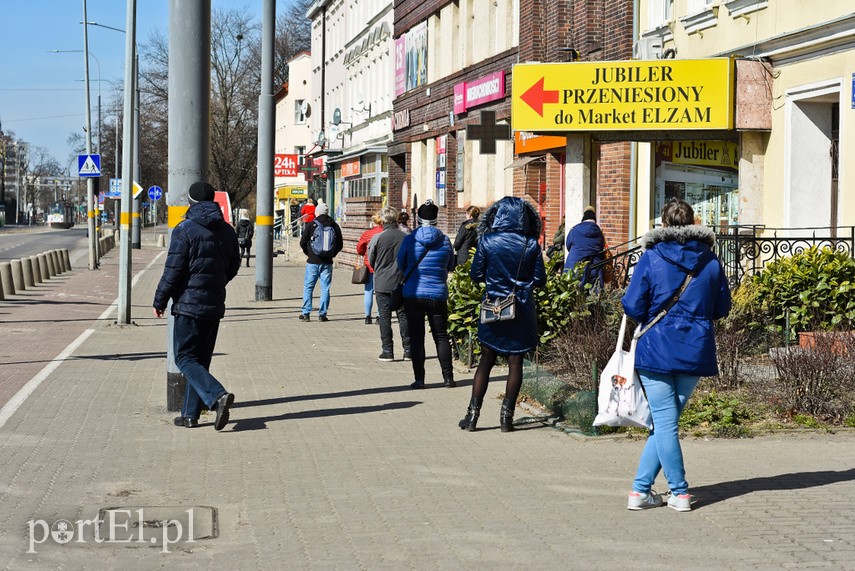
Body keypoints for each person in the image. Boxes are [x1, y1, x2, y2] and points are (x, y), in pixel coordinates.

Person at [622, 199, 731, 512]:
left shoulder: (652, 257)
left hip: (655, 348)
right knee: (666, 424)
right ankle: (640, 491)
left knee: (665, 424)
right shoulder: (710, 261)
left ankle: (678, 492)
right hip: (694, 349)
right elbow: (722, 307)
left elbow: (632, 305)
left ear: (664, 224)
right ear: (694, 222)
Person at [152, 181, 241, 431]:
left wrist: (159, 300)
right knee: (200, 360)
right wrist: (216, 282)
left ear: (190, 202)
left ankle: (217, 396)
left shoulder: (185, 229)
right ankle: (189, 415)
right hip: (213, 305)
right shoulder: (227, 230)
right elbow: (233, 266)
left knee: (184, 358)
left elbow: (173, 271)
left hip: (188, 306)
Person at [458, 197, 546, 432]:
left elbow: (476, 275)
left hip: (493, 307)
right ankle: (506, 420)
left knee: (485, 362)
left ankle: (472, 417)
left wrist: (494, 280)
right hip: (521, 308)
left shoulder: (487, 241)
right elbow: (540, 280)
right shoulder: (530, 243)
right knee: (515, 362)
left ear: (498, 215)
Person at [396, 199, 455, 388]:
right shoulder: (445, 240)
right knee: (441, 336)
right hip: (438, 293)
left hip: (413, 293)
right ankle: (448, 378)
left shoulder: (409, 239)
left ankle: (419, 379)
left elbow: (401, 264)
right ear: (436, 219)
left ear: (419, 219)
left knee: (416, 336)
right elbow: (451, 265)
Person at [368, 207, 412, 362]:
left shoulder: (377, 238)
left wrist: (379, 268)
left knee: (384, 316)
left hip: (382, 282)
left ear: (383, 220)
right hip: (402, 281)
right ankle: (408, 350)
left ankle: (388, 350)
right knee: (404, 316)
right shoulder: (406, 237)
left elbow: (371, 258)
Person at [299, 201, 343, 322]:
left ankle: (306, 313)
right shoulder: (334, 225)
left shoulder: (312, 224)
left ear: (317, 212)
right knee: (325, 288)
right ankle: (322, 314)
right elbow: (340, 244)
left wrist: (309, 253)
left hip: (313, 260)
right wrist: (332, 254)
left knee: (309, 286)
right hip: (327, 262)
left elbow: (303, 242)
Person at [565, 206, 606, 289]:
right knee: (592, 290)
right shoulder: (598, 232)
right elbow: (601, 247)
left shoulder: (574, 230)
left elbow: (568, 245)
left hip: (575, 264)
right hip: (593, 266)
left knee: (573, 289)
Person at [356, 213, 384, 324]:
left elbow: (359, 249)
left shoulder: (367, 234)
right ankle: (379, 316)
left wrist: (365, 253)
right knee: (380, 292)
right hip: (382, 267)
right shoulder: (385, 233)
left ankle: (367, 316)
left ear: (373, 222)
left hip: (369, 266)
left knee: (368, 291)